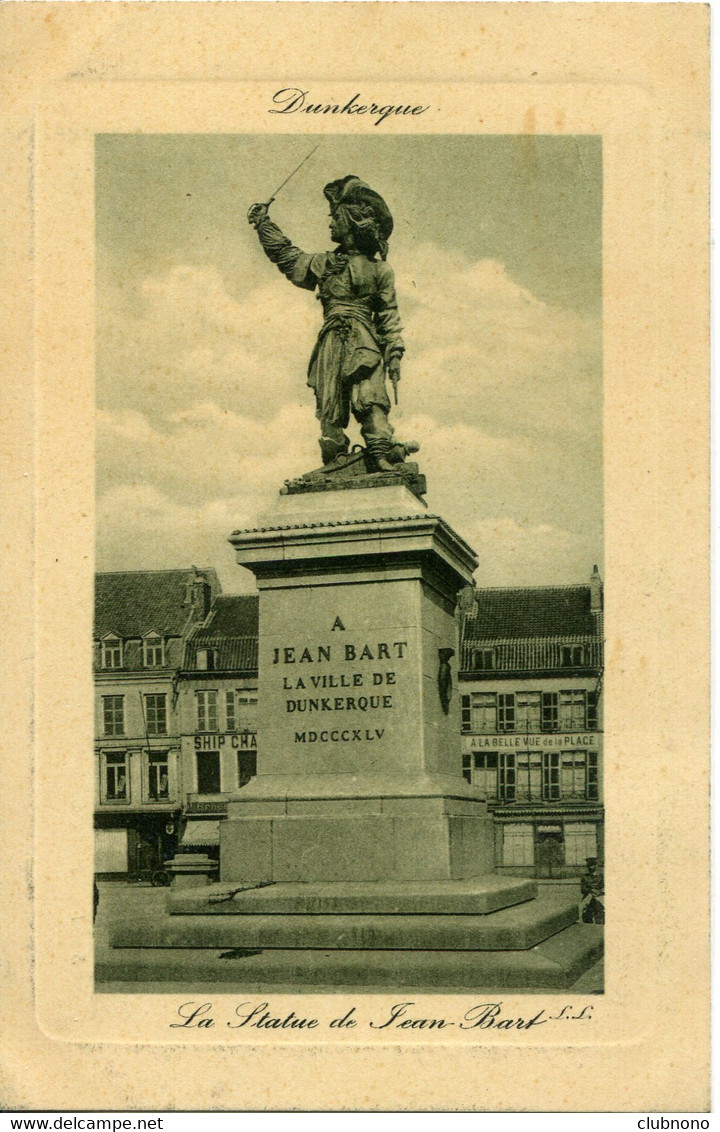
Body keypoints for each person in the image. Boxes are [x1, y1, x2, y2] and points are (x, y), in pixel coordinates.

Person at [248, 175, 405, 470]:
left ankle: (381, 451)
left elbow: (388, 314)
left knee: (370, 397)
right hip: (331, 340)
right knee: (329, 402)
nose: (330, 223)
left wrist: (394, 351)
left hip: (365, 342)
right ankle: (334, 458)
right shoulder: (323, 263)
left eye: (335, 217)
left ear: (352, 221)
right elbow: (287, 256)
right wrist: (263, 225)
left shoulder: (380, 269)